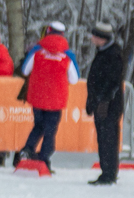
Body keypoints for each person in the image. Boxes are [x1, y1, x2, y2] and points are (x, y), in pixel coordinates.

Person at [19, 27, 79, 170]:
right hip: (56, 100)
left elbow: (24, 70)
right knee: (50, 130)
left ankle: (27, 150)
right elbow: (75, 79)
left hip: (38, 98)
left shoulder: (37, 50)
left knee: (38, 126)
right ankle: (44, 159)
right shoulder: (67, 55)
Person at [86, 23, 125, 185]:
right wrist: (92, 100)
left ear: (103, 38)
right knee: (103, 137)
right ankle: (107, 171)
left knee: (108, 137)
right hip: (102, 102)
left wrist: (103, 99)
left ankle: (109, 173)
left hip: (109, 105)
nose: (92, 38)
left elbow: (113, 81)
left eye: (95, 36)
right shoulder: (104, 53)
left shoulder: (113, 54)